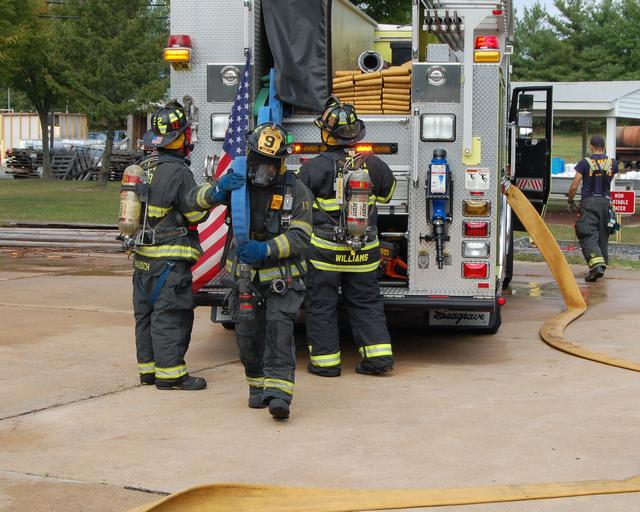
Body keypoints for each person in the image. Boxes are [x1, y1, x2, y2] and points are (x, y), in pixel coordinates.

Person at [134, 102, 244, 390]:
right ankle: (171, 375)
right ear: (180, 138)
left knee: (146, 316)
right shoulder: (178, 171)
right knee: (172, 316)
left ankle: (149, 371)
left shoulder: (145, 167)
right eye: (186, 135)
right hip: (170, 261)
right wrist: (218, 192)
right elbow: (193, 212)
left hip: (143, 260)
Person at [297, 98, 396, 378]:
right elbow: (388, 195)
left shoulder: (313, 168)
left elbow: (297, 206)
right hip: (364, 252)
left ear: (326, 134)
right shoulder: (374, 164)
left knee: (321, 304)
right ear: (357, 133)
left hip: (325, 254)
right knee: (366, 302)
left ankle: (325, 364)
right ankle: (378, 360)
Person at [224, 122, 313, 420]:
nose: (263, 170)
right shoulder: (238, 184)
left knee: (279, 330)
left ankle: (279, 395)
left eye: (270, 164)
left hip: (282, 279)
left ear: (281, 163)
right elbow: (196, 207)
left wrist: (265, 249)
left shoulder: (297, 192)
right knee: (248, 335)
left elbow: (300, 236)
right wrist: (216, 190)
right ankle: (256, 387)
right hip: (245, 279)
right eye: (258, 162)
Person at [568, 134, 621, 282]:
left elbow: (574, 184)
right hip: (605, 202)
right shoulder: (613, 163)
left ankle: (596, 266)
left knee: (587, 232)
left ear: (591, 147)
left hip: (589, 202)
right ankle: (601, 266)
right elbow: (611, 175)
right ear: (603, 147)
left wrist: (570, 200)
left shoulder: (585, 163)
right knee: (603, 235)